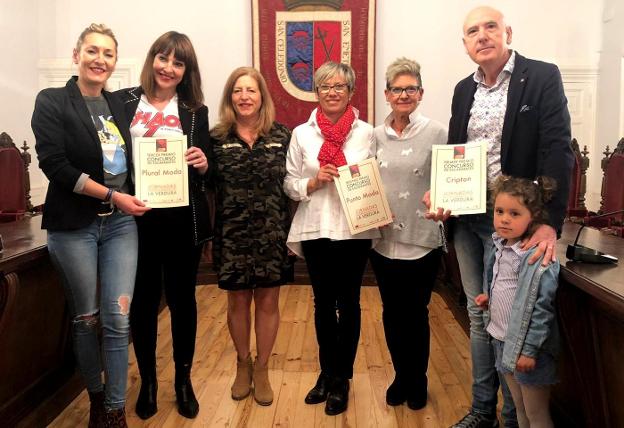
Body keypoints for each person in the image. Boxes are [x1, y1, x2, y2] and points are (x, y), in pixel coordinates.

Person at [424, 6, 573, 428]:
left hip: (514, 223)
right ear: (465, 42)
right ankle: (481, 409)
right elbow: (456, 150)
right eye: (473, 31)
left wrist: (548, 221)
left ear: (508, 32)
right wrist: (441, 189)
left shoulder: (540, 76)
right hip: (468, 219)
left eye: (491, 27)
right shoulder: (462, 89)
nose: (482, 35)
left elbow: (558, 149)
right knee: (478, 314)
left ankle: (513, 417)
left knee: (508, 318)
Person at [31, 23, 150, 427]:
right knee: (86, 317)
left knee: (118, 319)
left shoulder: (118, 104)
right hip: (73, 227)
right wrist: (112, 195)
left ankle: (115, 410)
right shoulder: (52, 101)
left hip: (120, 226)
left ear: (115, 62)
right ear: (77, 54)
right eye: (93, 51)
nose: (100, 60)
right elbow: (55, 165)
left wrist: (190, 157)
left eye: (109, 54)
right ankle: (96, 398)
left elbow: (146, 147)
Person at [117, 31, 211, 420]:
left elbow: (207, 171)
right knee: (141, 303)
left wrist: (204, 162)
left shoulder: (194, 111)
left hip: (180, 223)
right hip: (133, 221)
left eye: (177, 62)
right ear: (152, 58)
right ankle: (150, 382)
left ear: (186, 70)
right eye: (163, 58)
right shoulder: (121, 102)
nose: (168, 67)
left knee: (183, 302)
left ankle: (183, 381)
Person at [284, 61, 379, 416]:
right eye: (326, 86)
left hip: (354, 229)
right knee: (322, 305)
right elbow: (289, 184)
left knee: (349, 303)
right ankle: (326, 373)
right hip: (316, 228)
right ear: (317, 92)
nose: (333, 92)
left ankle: (342, 380)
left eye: (340, 86)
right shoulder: (301, 134)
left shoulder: (368, 133)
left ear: (351, 92)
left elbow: (377, 180)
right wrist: (312, 182)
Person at [210, 66, 291, 406]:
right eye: (238, 91)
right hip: (231, 235)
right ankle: (243, 363)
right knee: (238, 302)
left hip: (272, 234)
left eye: (251, 90)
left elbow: (293, 186)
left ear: (262, 97)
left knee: (268, 302)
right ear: (230, 97)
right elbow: (206, 189)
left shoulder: (283, 136)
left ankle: (262, 367)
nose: (244, 96)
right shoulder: (215, 139)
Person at [370, 57, 447, 410]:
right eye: (397, 89)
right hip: (383, 241)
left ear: (421, 93)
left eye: (410, 88)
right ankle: (401, 376)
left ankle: (418, 380)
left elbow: (449, 182)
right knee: (391, 312)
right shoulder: (375, 136)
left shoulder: (437, 133)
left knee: (416, 313)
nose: (404, 94)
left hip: (422, 238)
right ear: (387, 94)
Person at [475, 175, 560, 428]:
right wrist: (489, 298)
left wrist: (529, 351)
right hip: (503, 341)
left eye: (514, 213)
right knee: (519, 408)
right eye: (499, 211)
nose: (504, 219)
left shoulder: (536, 257)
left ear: (532, 217)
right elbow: (505, 286)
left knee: (536, 415)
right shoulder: (499, 245)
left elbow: (541, 310)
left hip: (527, 349)